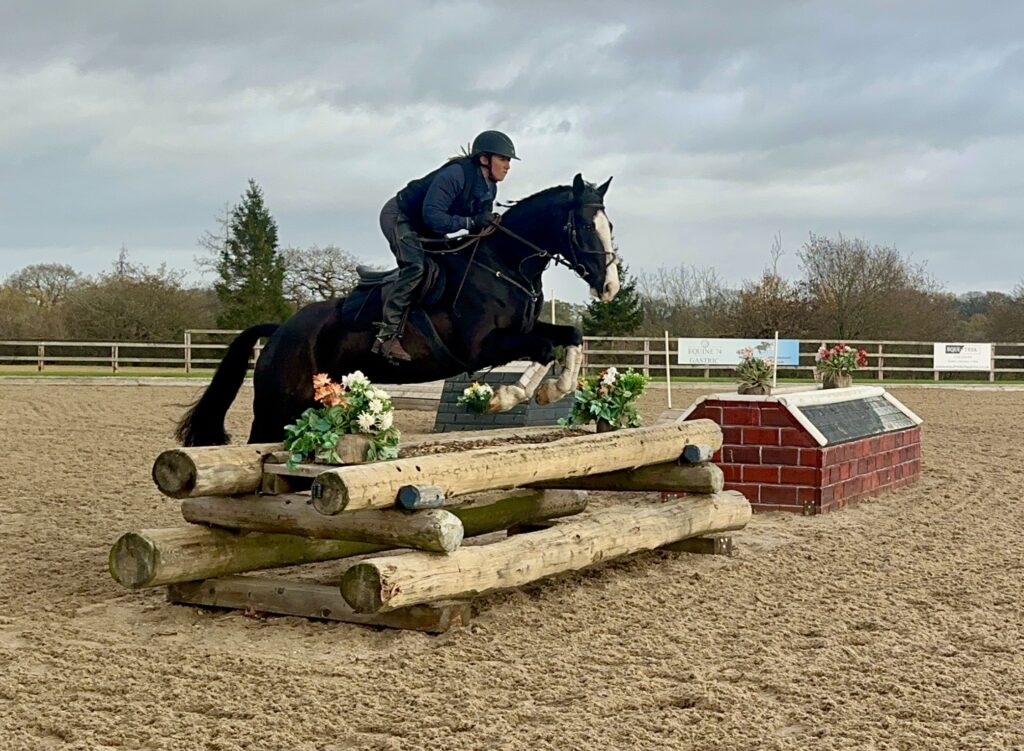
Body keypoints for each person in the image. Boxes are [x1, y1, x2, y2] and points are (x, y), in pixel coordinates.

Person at [373, 130, 518, 362]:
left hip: (428, 227)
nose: (507, 166)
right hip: (401, 217)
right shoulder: (455, 175)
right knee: (416, 267)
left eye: (508, 160)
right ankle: (387, 336)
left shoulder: (490, 187)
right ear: (484, 159)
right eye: (503, 159)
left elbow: (477, 227)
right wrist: (471, 222)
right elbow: (433, 217)